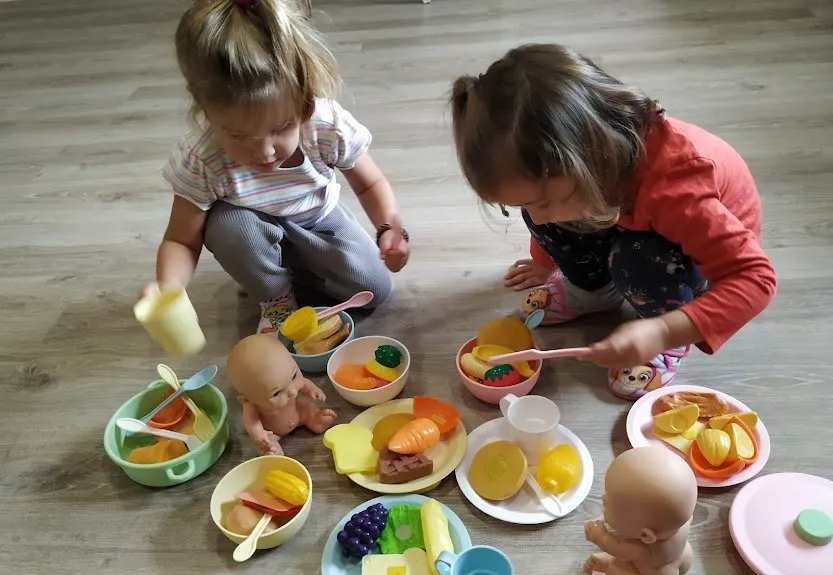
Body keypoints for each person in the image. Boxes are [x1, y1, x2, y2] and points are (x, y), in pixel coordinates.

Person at [450, 44, 776, 400]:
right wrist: (545, 262)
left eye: (541, 200)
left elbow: (756, 280)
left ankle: (667, 330)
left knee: (637, 256)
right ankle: (591, 292)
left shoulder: (678, 187)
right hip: (629, 219)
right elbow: (547, 214)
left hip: (696, 258)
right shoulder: (596, 163)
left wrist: (663, 332)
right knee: (559, 219)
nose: (535, 217)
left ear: (582, 157)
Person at [143, 0, 409, 333]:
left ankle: (284, 271)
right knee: (231, 224)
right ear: (204, 105)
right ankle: (275, 297)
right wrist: (169, 288)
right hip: (249, 229)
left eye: (282, 127)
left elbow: (370, 183)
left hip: (317, 219)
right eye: (239, 135)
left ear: (304, 94)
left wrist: (388, 229)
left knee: (375, 289)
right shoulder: (201, 157)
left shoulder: (326, 126)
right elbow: (181, 241)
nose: (265, 152)